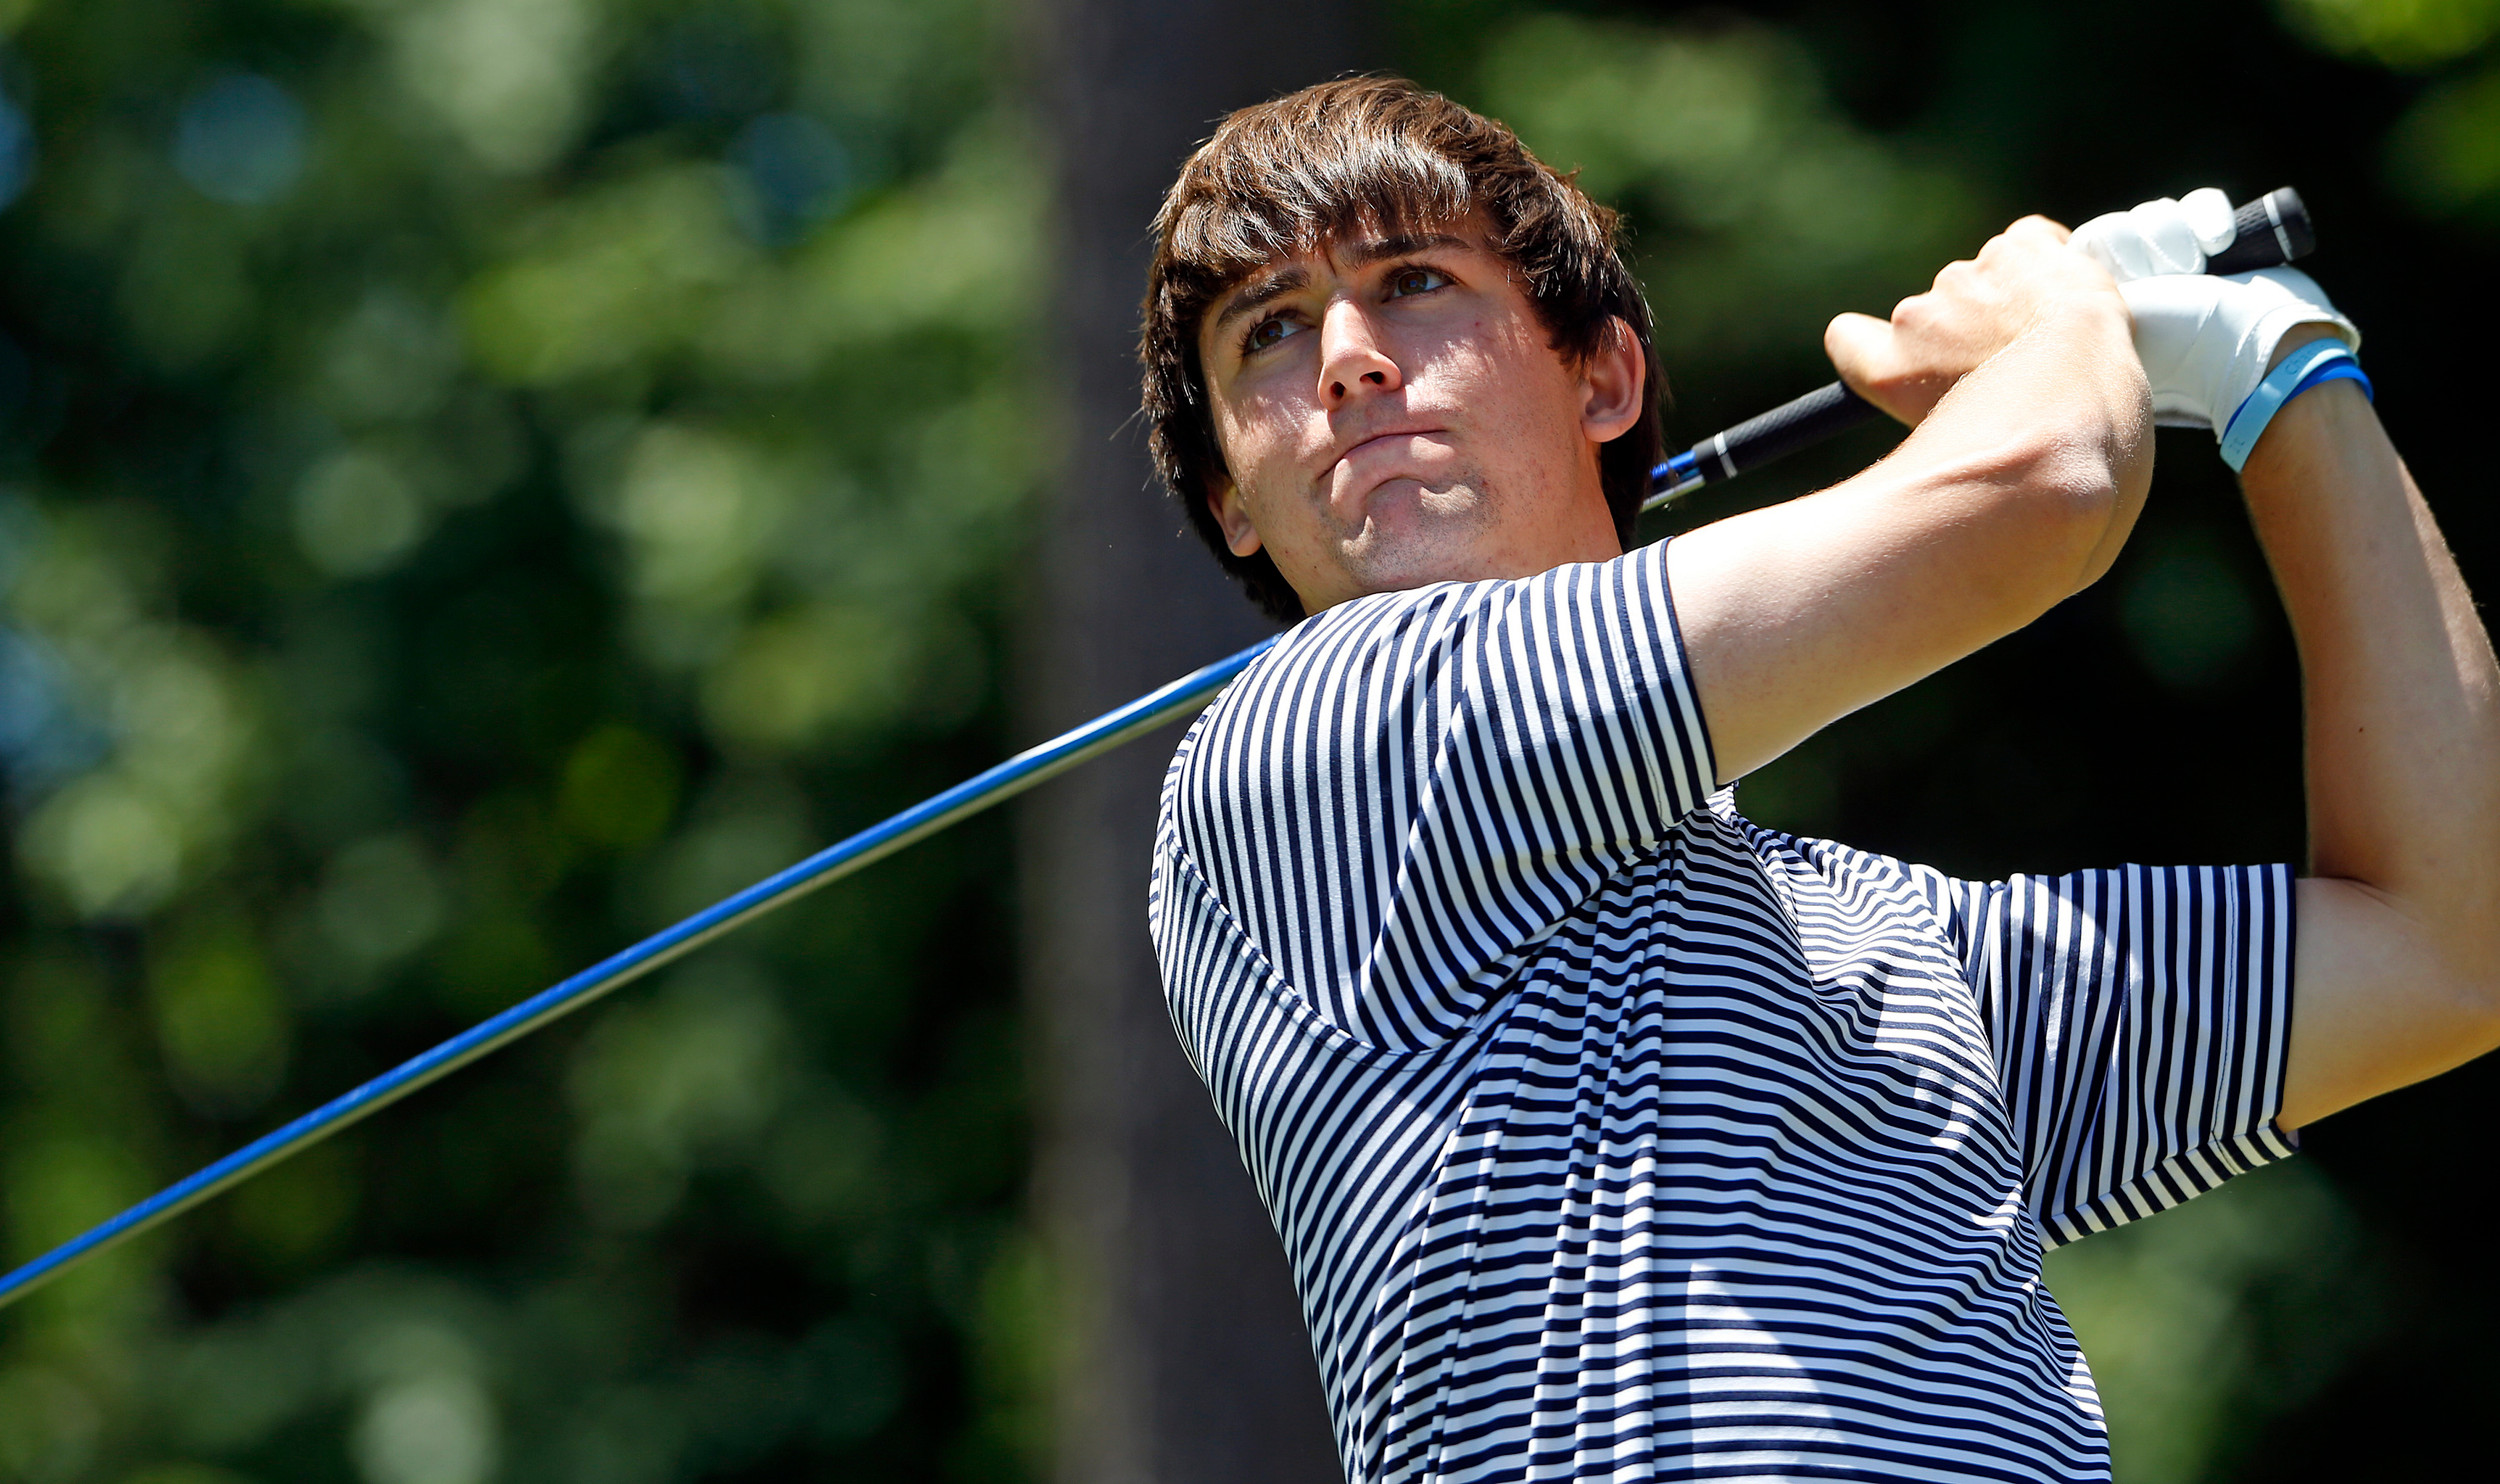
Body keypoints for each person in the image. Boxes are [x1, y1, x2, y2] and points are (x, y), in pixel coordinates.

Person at [1140, 77, 2499, 1483]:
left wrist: (2285, 373)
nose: (1352, 358)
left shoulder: (1894, 942)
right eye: (1273, 331)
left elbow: (2441, 946)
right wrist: (2053, 323)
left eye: (1413, 281)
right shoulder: (1315, 745)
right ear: (1236, 496)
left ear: (1602, 378)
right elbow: (2043, 487)